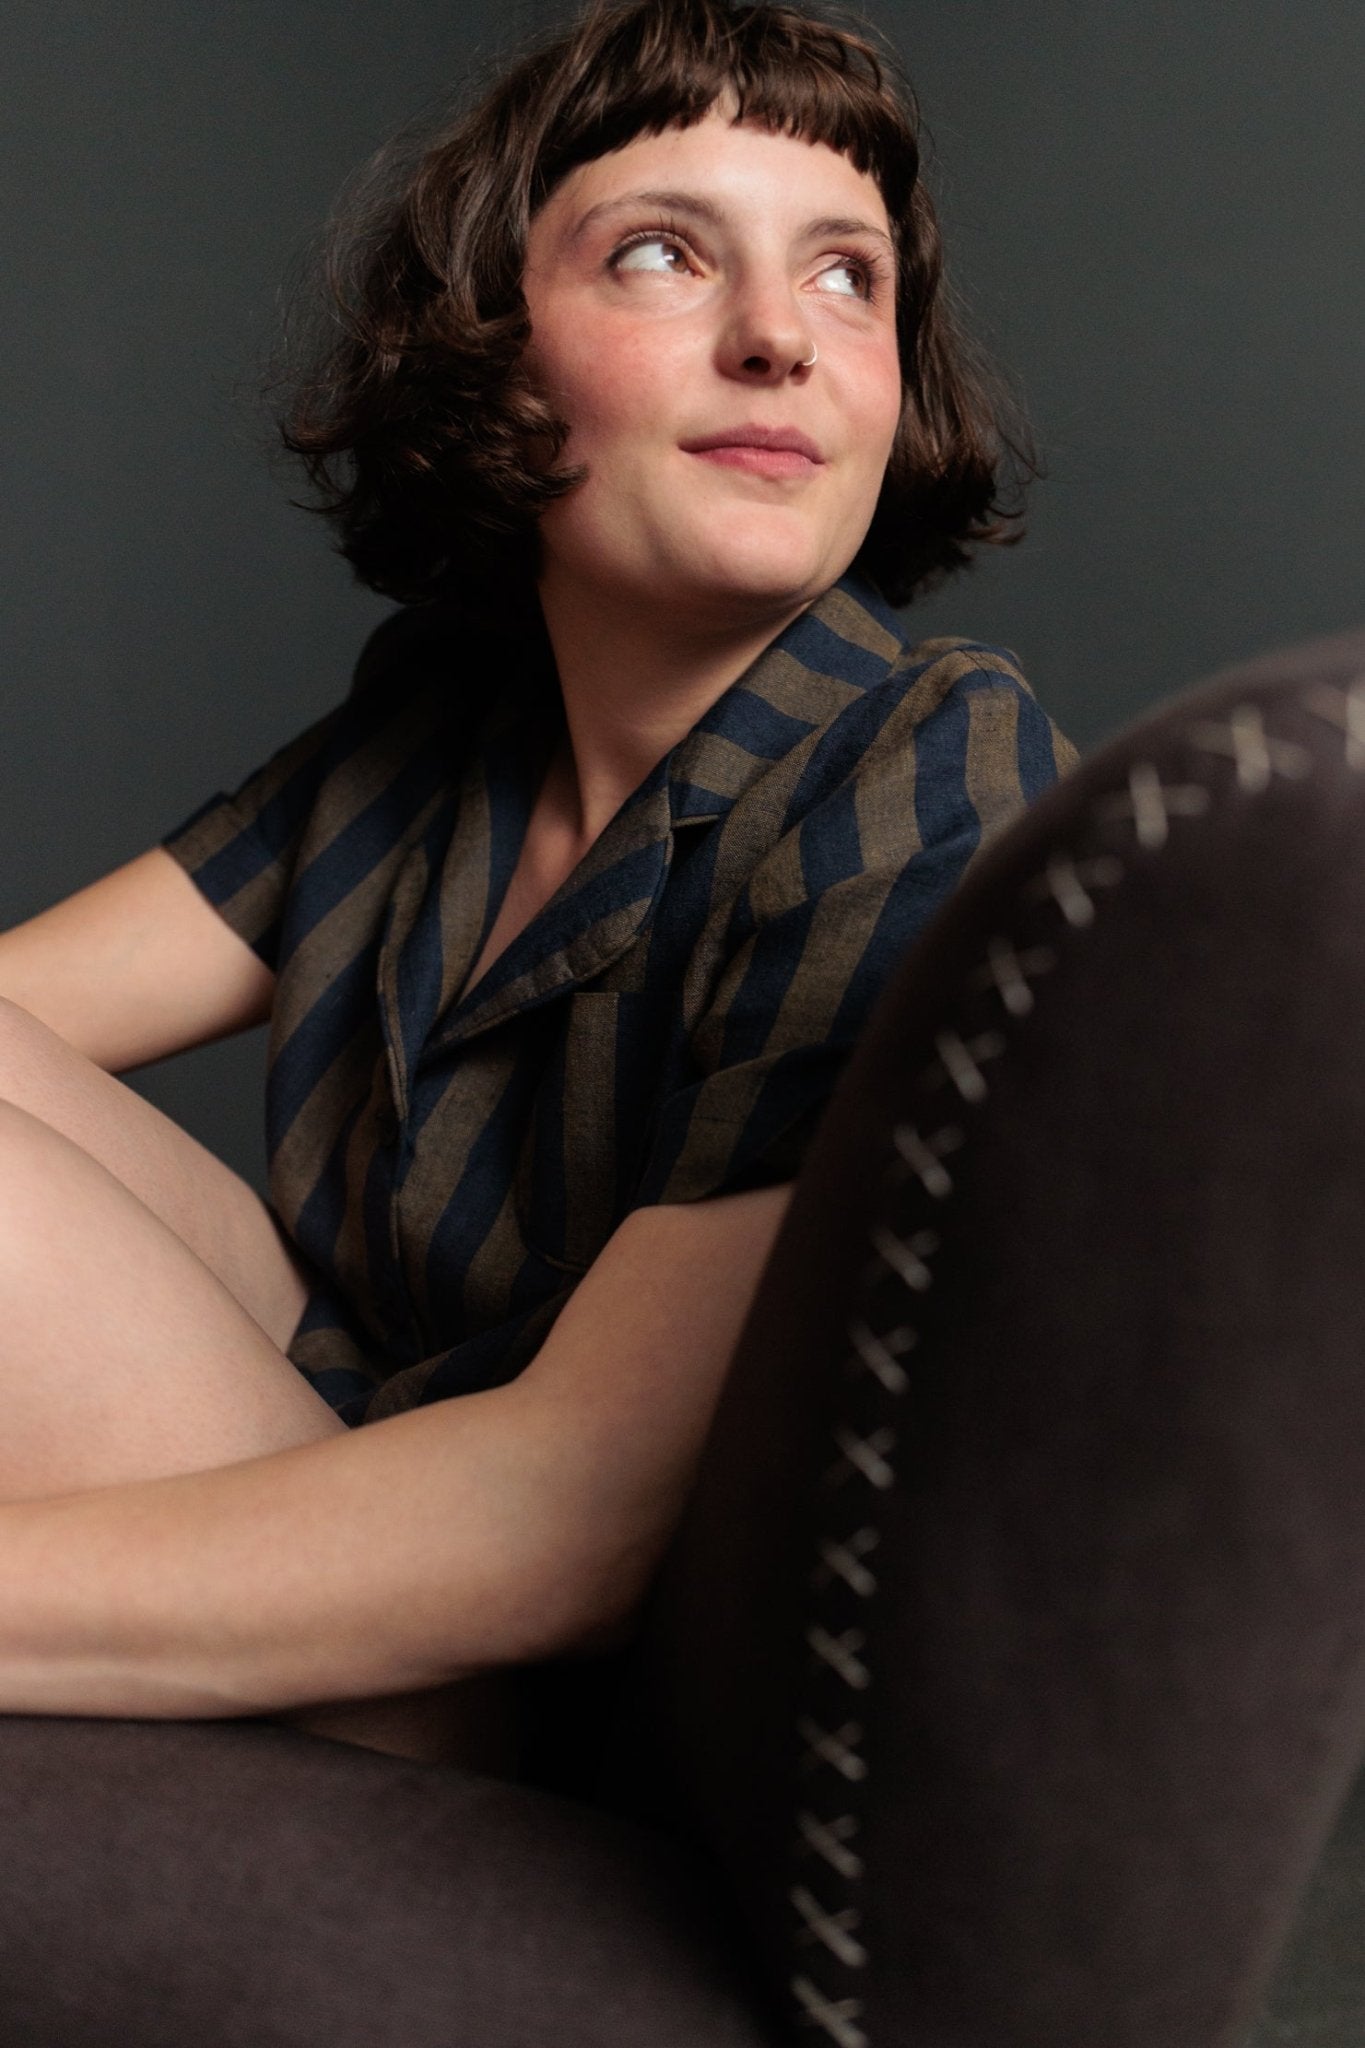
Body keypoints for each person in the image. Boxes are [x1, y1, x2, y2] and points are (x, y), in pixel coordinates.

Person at [0, 0, 1072, 1777]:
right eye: (663, 253)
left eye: (846, 276)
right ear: (494, 357)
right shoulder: (445, 723)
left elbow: (565, 1528)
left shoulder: (921, 773)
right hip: (367, 1465)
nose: (777, 337)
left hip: (553, 1673)